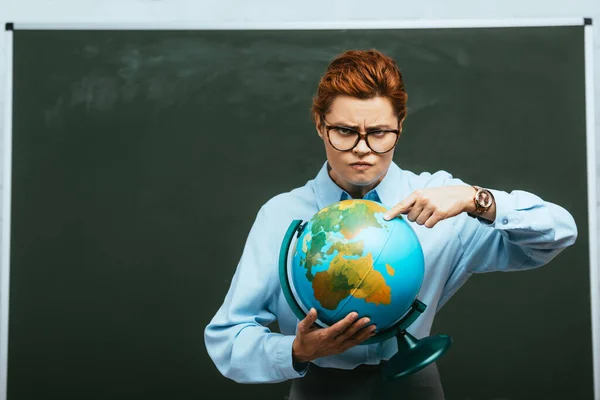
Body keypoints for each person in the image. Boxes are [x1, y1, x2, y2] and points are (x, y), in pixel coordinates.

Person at [204, 49, 578, 400]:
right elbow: (228, 340)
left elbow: (557, 234)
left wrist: (475, 198)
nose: (363, 148)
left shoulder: (442, 201)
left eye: (379, 133)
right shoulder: (281, 215)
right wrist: (296, 350)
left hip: (415, 384)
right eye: (346, 131)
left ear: (400, 125)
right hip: (318, 387)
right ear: (320, 125)